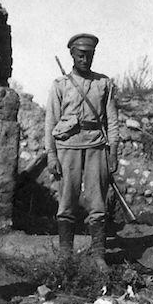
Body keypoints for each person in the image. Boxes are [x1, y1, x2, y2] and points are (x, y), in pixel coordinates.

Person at [44, 33, 120, 270]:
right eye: (81, 55)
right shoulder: (61, 85)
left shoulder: (103, 84)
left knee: (98, 203)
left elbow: (112, 121)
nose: (85, 60)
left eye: (90, 55)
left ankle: (99, 255)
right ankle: (65, 255)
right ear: (72, 55)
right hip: (67, 147)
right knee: (67, 202)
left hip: (97, 146)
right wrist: (52, 155)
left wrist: (114, 151)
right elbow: (51, 122)